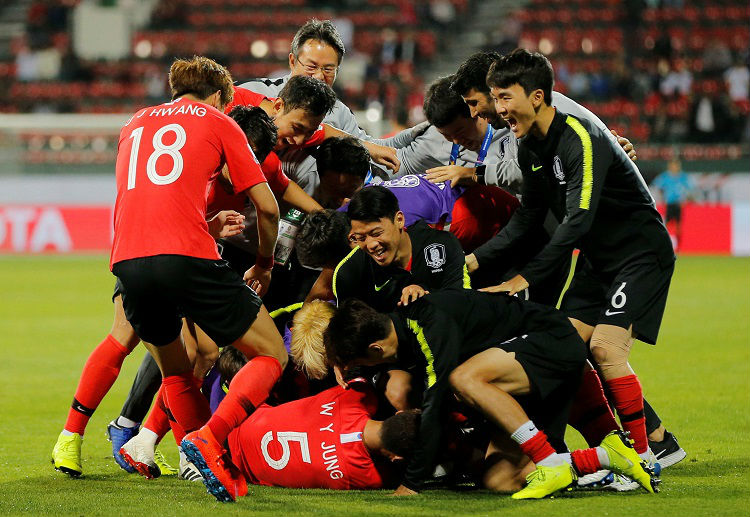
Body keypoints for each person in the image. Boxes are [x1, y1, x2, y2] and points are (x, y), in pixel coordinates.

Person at [53, 57, 288, 493]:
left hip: (127, 260)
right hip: (185, 257)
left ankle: (202, 461)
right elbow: (269, 207)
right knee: (272, 354)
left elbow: (154, 195)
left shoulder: (133, 124)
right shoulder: (219, 121)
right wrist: (264, 263)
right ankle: (208, 439)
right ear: (218, 97)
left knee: (177, 371)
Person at [451, 51, 685, 466]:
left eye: (505, 98)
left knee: (608, 348)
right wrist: (471, 261)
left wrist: (524, 278)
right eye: (495, 98)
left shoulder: (581, 137)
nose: (498, 109)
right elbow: (527, 219)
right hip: (598, 260)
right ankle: (561, 445)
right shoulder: (529, 145)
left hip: (639, 252)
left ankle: (645, 459)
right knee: (561, 346)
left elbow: (576, 222)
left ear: (537, 96)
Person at [324, 291, 658, 498]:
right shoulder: (401, 328)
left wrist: (412, 481)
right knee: (498, 480)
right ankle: (605, 460)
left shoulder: (430, 325)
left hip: (551, 341)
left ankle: (548, 458)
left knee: (461, 379)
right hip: (521, 381)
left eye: (360, 364)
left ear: (376, 347)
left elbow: (436, 403)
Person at [650, 158, 694, 250]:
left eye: (676, 165)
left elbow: (690, 190)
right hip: (669, 204)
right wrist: (661, 198)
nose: (674, 167)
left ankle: (679, 247)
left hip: (679, 204)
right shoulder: (665, 177)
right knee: (666, 226)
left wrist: (685, 199)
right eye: (673, 165)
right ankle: (666, 245)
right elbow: (656, 187)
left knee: (679, 226)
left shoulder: (683, 177)